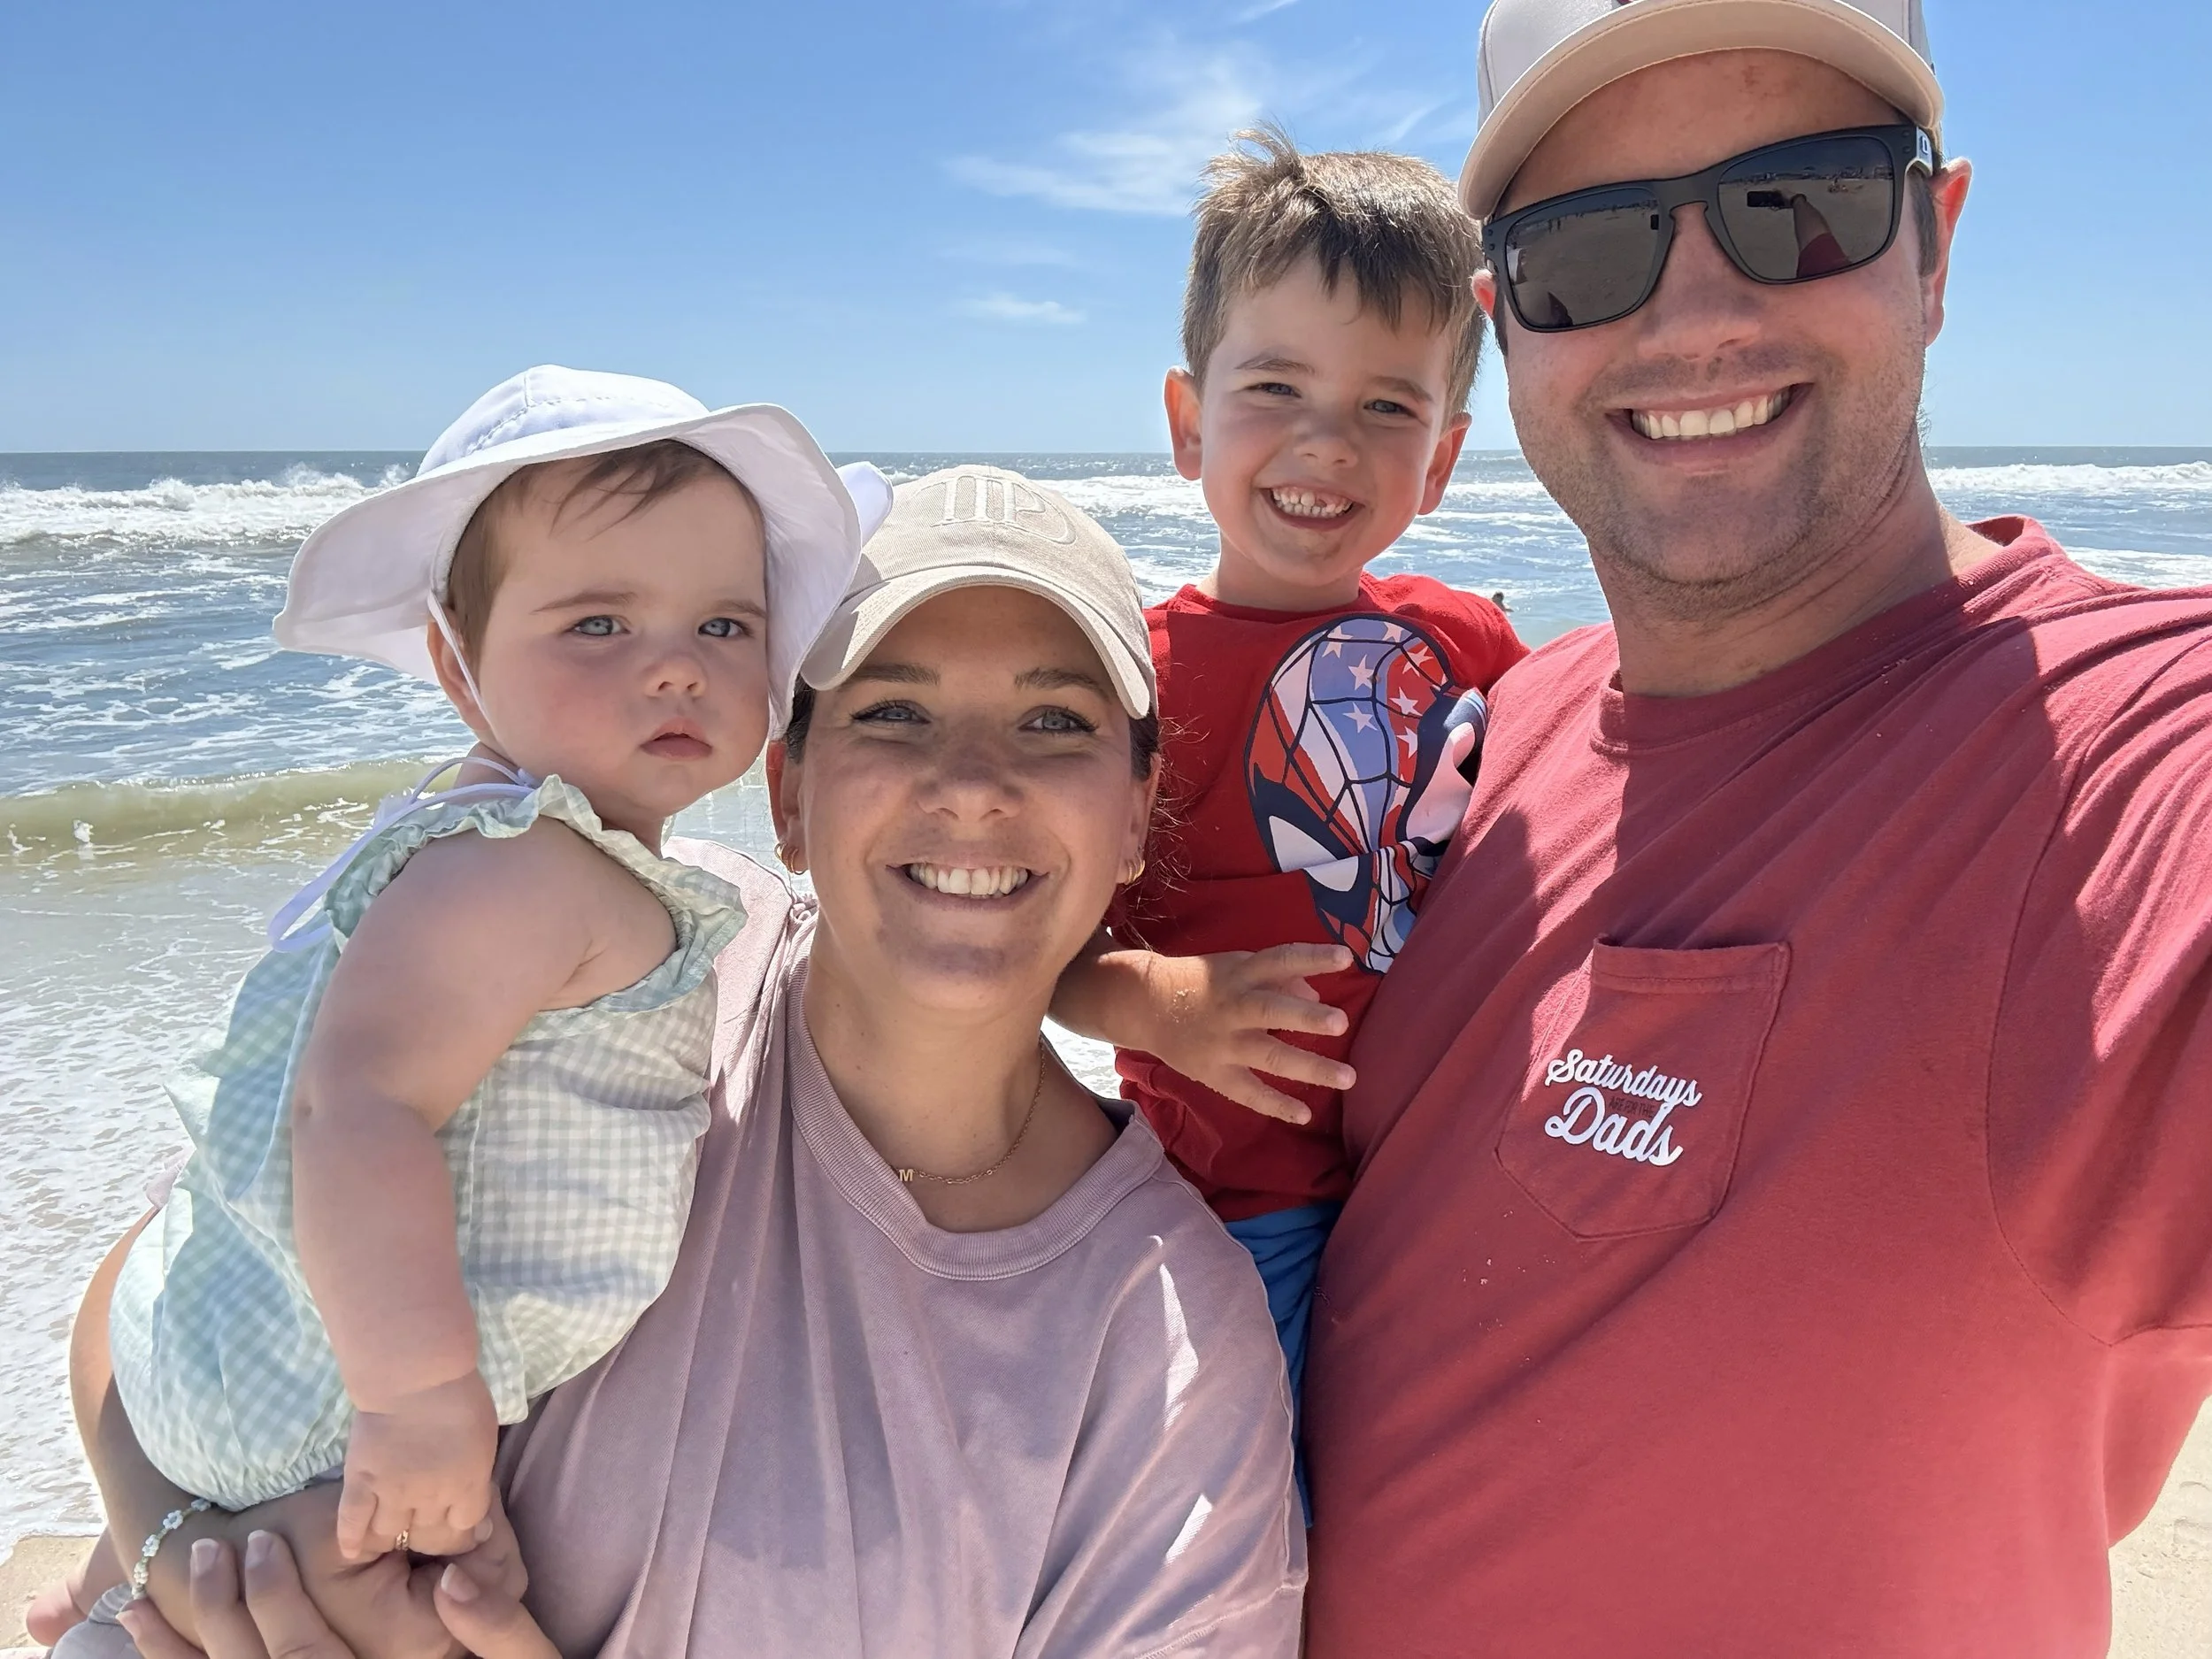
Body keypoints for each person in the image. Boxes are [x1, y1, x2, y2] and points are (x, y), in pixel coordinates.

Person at [1300, 1, 2212, 1655]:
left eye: (1803, 207)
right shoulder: (1484, 740)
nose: (1700, 316)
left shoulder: (2129, 761)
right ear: (1508, 330)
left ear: (1931, 248)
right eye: (1593, 252)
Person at [56, 465, 1305, 1659]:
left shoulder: (1167, 1350)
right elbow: (163, 1271)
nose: (972, 785)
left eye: (1053, 719)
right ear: (790, 797)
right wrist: (176, 1540)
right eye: (893, 711)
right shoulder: (610, 958)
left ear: (1136, 812)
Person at [33, 365, 875, 1641]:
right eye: (599, 625)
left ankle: (113, 1572)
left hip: (249, 1371)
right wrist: (420, 1397)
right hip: (326, 1411)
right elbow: (356, 1100)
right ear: (456, 661)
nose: (676, 670)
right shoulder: (524, 862)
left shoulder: (529, 850)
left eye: (725, 626)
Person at [1050, 133, 1525, 1491]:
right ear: (1190, 420)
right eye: (1275, 387)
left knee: (1443, 1497)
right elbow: (1043, 955)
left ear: (1441, 460)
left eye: (1389, 407)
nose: (1327, 441)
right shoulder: (1127, 681)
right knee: (1258, 1514)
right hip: (1242, 1202)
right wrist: (1164, 1003)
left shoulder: (1472, 642)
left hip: (1447, 1175)